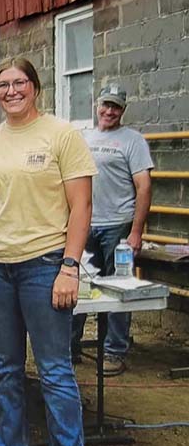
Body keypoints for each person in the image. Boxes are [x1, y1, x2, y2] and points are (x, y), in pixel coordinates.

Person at [0, 57, 96, 446]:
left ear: (35, 87)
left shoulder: (61, 135)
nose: (11, 91)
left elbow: (82, 206)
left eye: (20, 82)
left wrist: (69, 267)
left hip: (44, 266)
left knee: (54, 371)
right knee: (5, 371)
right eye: (3, 84)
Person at [71, 85, 153, 376]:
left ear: (123, 111)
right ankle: (71, 347)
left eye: (115, 107)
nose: (109, 111)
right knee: (78, 285)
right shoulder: (83, 138)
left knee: (117, 290)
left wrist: (136, 232)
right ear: (97, 105)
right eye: (106, 105)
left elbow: (144, 187)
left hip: (117, 226)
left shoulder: (133, 141)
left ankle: (114, 351)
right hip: (85, 224)